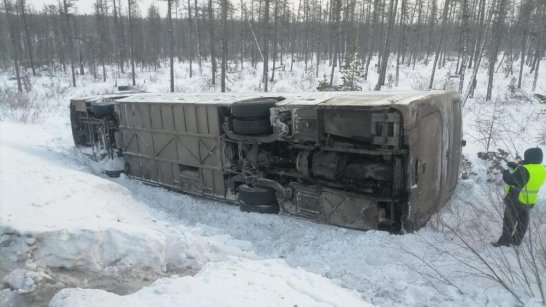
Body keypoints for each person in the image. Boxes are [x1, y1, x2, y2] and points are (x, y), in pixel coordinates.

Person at [492, 147, 546, 247]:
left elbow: (512, 181)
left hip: (516, 199)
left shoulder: (524, 169)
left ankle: (504, 242)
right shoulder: (542, 169)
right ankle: (516, 240)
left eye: (526, 156)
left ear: (530, 157)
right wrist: (517, 166)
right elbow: (528, 174)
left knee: (509, 221)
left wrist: (506, 172)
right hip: (529, 201)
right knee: (522, 222)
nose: (524, 158)